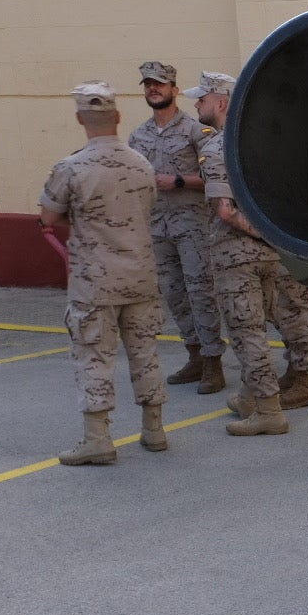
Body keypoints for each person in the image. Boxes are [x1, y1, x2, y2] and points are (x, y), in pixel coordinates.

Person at [182, 72, 308, 436]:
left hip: (237, 254)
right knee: (282, 316)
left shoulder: (216, 148)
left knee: (247, 331)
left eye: (202, 98)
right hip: (276, 252)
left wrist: (258, 234)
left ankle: (267, 409)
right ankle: (251, 395)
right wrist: (274, 238)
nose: (196, 103)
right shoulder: (267, 142)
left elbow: (226, 211)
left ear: (222, 102)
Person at [38, 82, 169, 464]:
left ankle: (98, 439)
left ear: (80, 118)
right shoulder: (143, 164)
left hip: (95, 282)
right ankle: (155, 430)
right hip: (141, 276)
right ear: (118, 118)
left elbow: (47, 217)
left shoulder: (71, 167)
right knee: (146, 354)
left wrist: (83, 218)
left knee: (94, 357)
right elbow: (147, 209)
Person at [128, 61, 226, 394]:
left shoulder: (196, 131)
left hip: (193, 225)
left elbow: (217, 178)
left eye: (159, 84)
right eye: (147, 85)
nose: (153, 89)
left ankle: (214, 360)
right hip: (157, 227)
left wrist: (180, 180)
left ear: (174, 89)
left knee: (201, 291)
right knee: (173, 293)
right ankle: (195, 355)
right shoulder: (138, 135)